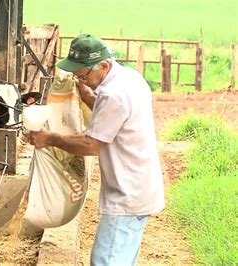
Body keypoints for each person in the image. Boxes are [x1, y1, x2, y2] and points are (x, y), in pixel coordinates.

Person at [29, 34, 165, 265]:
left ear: (103, 65)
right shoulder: (129, 78)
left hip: (127, 194)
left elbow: (91, 144)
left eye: (82, 74)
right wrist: (90, 96)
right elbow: (114, 117)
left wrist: (50, 138)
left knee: (105, 261)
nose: (79, 78)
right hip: (139, 187)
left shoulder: (113, 94)